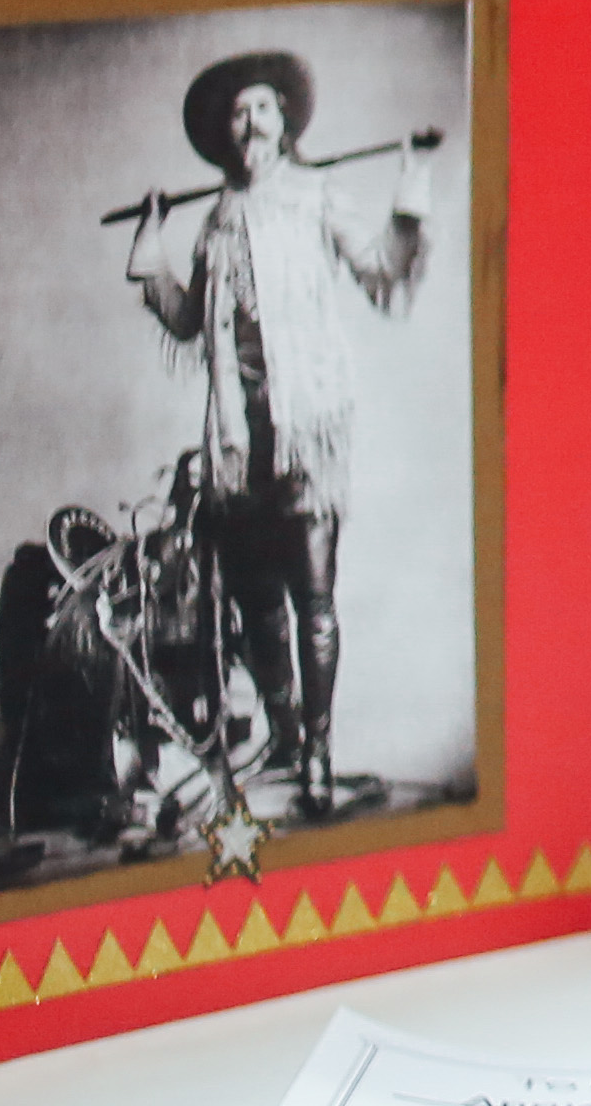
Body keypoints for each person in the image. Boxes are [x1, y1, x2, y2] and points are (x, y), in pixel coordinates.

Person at [121, 53, 433, 824]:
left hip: (307, 431)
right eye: (237, 113)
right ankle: (288, 738)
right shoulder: (217, 221)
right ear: (226, 136)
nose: (251, 122)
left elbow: (380, 266)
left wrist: (410, 185)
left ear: (285, 122)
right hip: (236, 438)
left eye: (262, 107)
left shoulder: (317, 196)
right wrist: (153, 235)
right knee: (258, 605)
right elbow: (191, 319)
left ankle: (321, 754)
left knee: (313, 600)